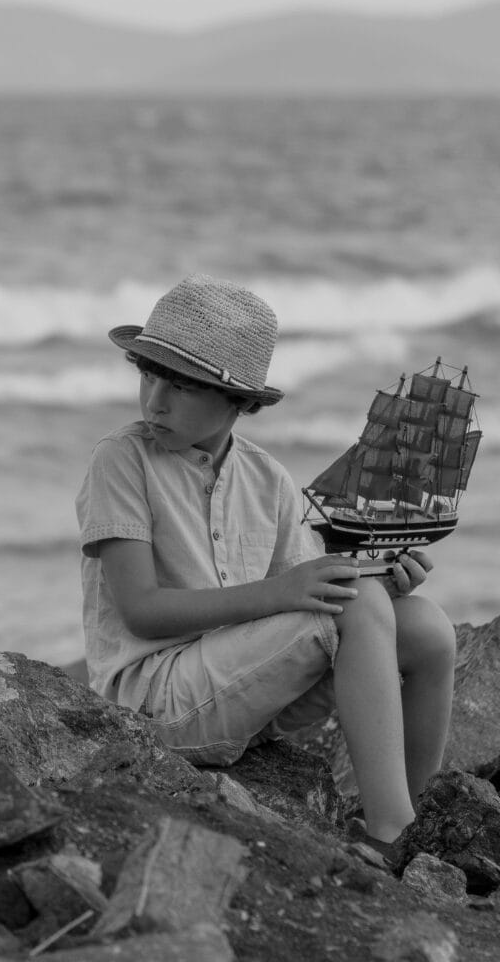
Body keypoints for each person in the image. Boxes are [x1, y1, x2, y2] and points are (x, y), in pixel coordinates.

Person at [75, 273, 456, 855]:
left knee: (426, 627)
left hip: (243, 695)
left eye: (180, 385)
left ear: (240, 401)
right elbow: (142, 612)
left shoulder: (267, 478)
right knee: (348, 610)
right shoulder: (121, 461)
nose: (155, 400)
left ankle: (414, 813)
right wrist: (292, 591)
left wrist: (384, 578)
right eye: (148, 375)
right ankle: (390, 831)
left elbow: (316, 594)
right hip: (157, 704)